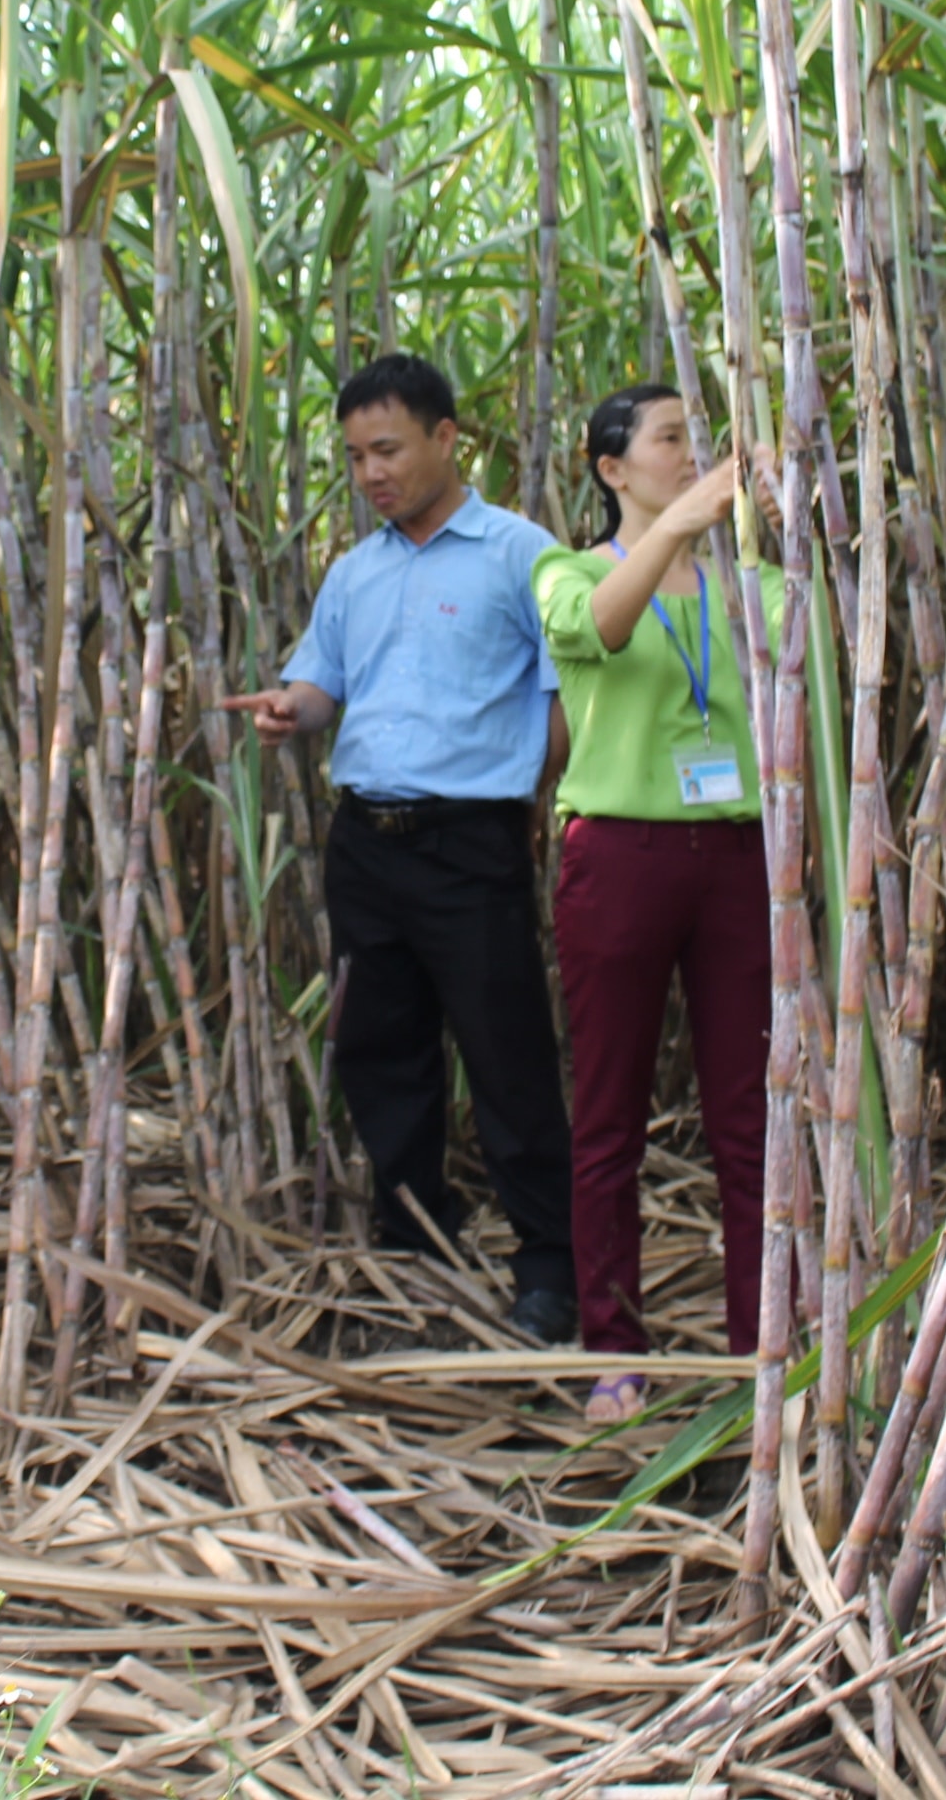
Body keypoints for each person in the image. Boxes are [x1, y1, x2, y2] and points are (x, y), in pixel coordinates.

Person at [220, 354, 578, 1345]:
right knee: (380, 1046)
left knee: (505, 1050)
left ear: (446, 437)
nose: (371, 472)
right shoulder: (354, 570)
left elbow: (565, 694)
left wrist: (518, 779)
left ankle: (548, 1262)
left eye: (387, 448)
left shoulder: (518, 554)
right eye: (354, 457)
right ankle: (414, 1231)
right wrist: (292, 709)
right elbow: (323, 681)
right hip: (364, 841)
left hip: (469, 842)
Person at [534, 384, 775, 1426]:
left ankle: (759, 1345)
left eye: (695, 437)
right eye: (670, 439)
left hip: (735, 854)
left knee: (749, 1118)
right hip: (619, 856)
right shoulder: (567, 570)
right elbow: (599, 628)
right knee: (607, 1117)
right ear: (609, 469)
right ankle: (615, 1351)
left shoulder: (751, 587)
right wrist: (675, 524)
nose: (692, 455)